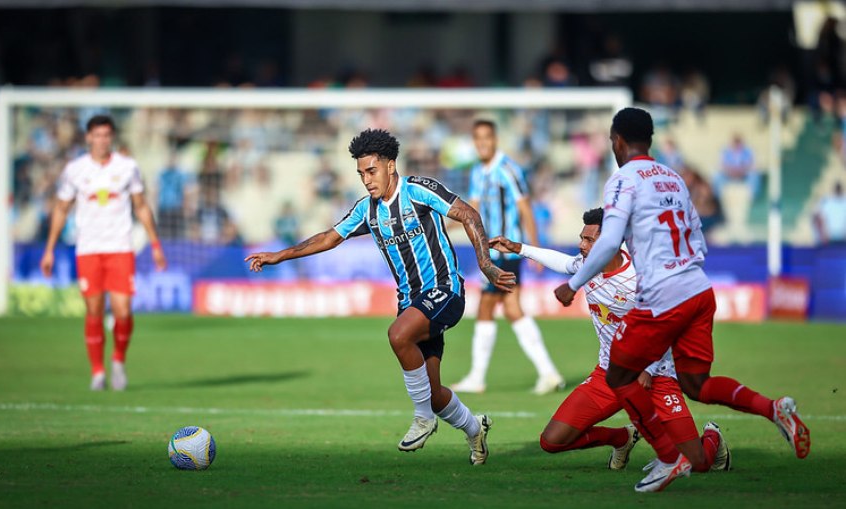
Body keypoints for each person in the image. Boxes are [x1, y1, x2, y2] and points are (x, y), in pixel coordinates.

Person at [554, 107, 810, 492]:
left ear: (617, 141)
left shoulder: (624, 177)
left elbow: (609, 240)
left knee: (618, 374)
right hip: (698, 287)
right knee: (697, 383)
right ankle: (772, 408)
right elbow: (697, 236)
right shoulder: (673, 178)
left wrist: (574, 283)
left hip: (662, 294)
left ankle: (669, 458)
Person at [246, 129, 515, 464]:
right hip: (411, 303)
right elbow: (330, 237)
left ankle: (422, 419)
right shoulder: (367, 210)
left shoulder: (419, 190)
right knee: (435, 394)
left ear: (390, 165)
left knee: (397, 334)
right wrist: (279, 255)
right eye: (361, 174)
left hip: (445, 290)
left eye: (371, 171)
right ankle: (474, 429)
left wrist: (486, 264)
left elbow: (469, 215)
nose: (366, 180)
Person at [490, 208, 729, 474]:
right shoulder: (586, 267)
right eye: (582, 238)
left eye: (590, 240)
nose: (582, 245)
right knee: (552, 441)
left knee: (696, 464)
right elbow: (564, 263)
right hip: (610, 373)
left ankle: (712, 439)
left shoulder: (639, 280)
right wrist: (518, 247)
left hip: (658, 376)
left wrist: (648, 369)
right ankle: (621, 439)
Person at [41, 115, 166, 391]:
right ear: (88, 138)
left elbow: (141, 206)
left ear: (112, 138)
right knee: (94, 310)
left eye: (107, 135)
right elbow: (61, 209)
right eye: (97, 135)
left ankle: (118, 360)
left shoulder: (128, 167)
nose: (102, 140)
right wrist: (49, 249)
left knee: (122, 311)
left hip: (120, 247)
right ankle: (97, 371)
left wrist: (156, 245)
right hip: (88, 250)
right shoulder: (75, 170)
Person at [451, 120, 564, 395]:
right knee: (509, 308)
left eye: (486, 138)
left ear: (495, 139)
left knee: (489, 306)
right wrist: (442, 226)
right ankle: (548, 373)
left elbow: (526, 208)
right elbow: (472, 209)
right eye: (477, 139)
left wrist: (535, 249)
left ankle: (479, 378)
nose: (482, 144)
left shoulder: (508, 170)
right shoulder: (478, 171)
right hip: (489, 251)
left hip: (504, 250)